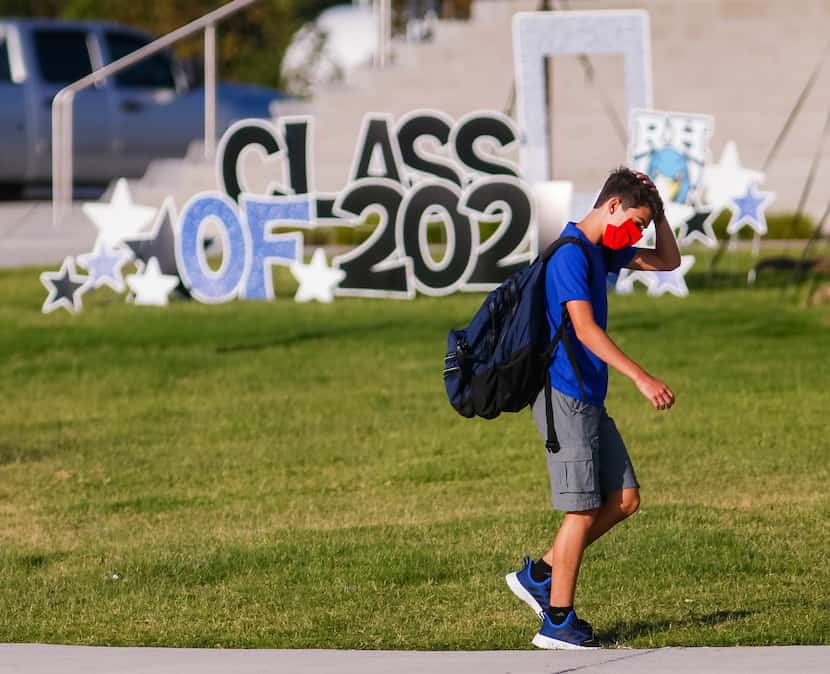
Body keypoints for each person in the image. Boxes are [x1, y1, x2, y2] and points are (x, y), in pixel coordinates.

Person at [505, 167, 681, 649]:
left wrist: (658, 209)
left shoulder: (599, 250)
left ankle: (540, 574)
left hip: (588, 397)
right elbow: (584, 330)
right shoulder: (569, 256)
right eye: (637, 221)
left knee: (624, 499)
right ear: (611, 206)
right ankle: (557, 622)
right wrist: (641, 377)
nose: (639, 233)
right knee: (580, 510)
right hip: (564, 395)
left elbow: (668, 260)